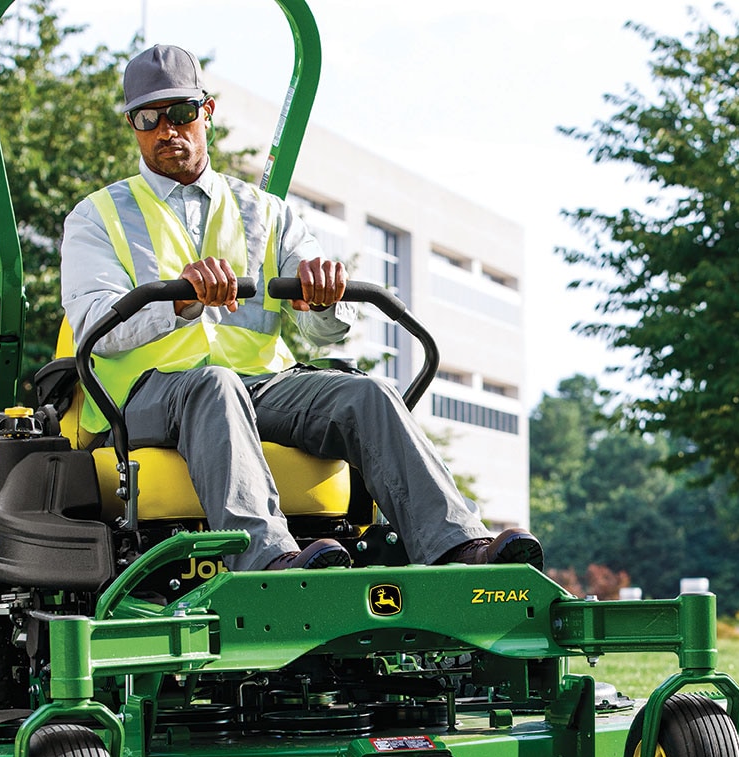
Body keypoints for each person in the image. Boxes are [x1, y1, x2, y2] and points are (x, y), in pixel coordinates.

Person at [61, 44, 543, 573]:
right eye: (148, 118)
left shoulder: (265, 213)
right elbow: (94, 328)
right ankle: (269, 560)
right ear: (132, 124)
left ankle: (457, 547)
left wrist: (324, 295)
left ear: (207, 113)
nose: (166, 130)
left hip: (261, 387)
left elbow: (325, 332)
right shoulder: (98, 217)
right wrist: (177, 302)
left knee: (367, 393)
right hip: (146, 395)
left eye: (180, 113)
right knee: (215, 385)